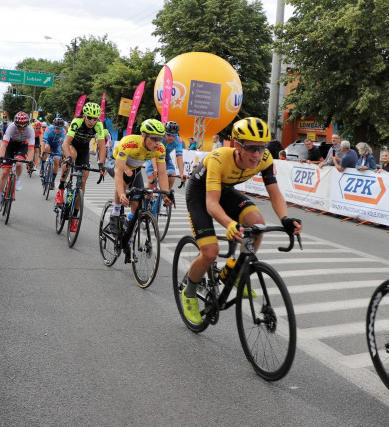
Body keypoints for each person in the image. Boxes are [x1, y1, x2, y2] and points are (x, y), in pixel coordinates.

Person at [178, 117, 302, 323]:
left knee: (257, 224)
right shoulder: (218, 158)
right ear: (237, 145)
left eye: (261, 148)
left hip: (225, 190)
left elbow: (274, 192)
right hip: (201, 194)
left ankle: (233, 271)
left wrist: (285, 218)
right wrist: (230, 224)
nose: (257, 155)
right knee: (210, 252)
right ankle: (189, 292)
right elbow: (211, 204)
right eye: (252, 148)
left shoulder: (265, 158)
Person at [108, 119, 172, 257]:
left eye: (160, 139)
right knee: (127, 175)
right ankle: (115, 213)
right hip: (117, 163)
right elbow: (119, 170)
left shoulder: (160, 149)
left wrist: (166, 194)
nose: (157, 143)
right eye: (154, 139)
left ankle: (128, 236)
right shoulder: (129, 143)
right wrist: (121, 194)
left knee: (136, 202)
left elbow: (162, 174)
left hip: (135, 168)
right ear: (144, 135)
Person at [57, 101, 109, 204]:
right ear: (84, 116)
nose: (92, 121)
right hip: (72, 144)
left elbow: (102, 146)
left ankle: (75, 215)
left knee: (83, 180)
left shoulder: (98, 125)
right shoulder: (77, 122)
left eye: (95, 118)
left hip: (84, 148)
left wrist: (101, 164)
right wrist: (67, 158)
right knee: (71, 157)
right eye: (89, 118)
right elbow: (66, 142)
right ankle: (61, 188)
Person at [0, 111, 35, 210]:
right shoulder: (11, 127)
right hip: (10, 146)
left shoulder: (30, 130)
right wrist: (0, 159)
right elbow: (4, 145)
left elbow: (31, 148)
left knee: (19, 164)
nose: (21, 130)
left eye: (24, 128)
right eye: (19, 128)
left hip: (22, 146)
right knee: (4, 173)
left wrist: (30, 162)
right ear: (15, 125)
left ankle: (18, 179)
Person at [40, 117, 66, 189]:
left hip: (56, 145)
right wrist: (42, 153)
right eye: (57, 128)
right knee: (46, 148)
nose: (59, 130)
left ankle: (52, 181)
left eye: (60, 128)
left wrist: (63, 155)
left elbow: (64, 144)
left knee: (57, 161)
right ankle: (42, 167)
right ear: (54, 126)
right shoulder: (49, 129)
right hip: (48, 142)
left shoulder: (63, 131)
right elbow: (43, 142)